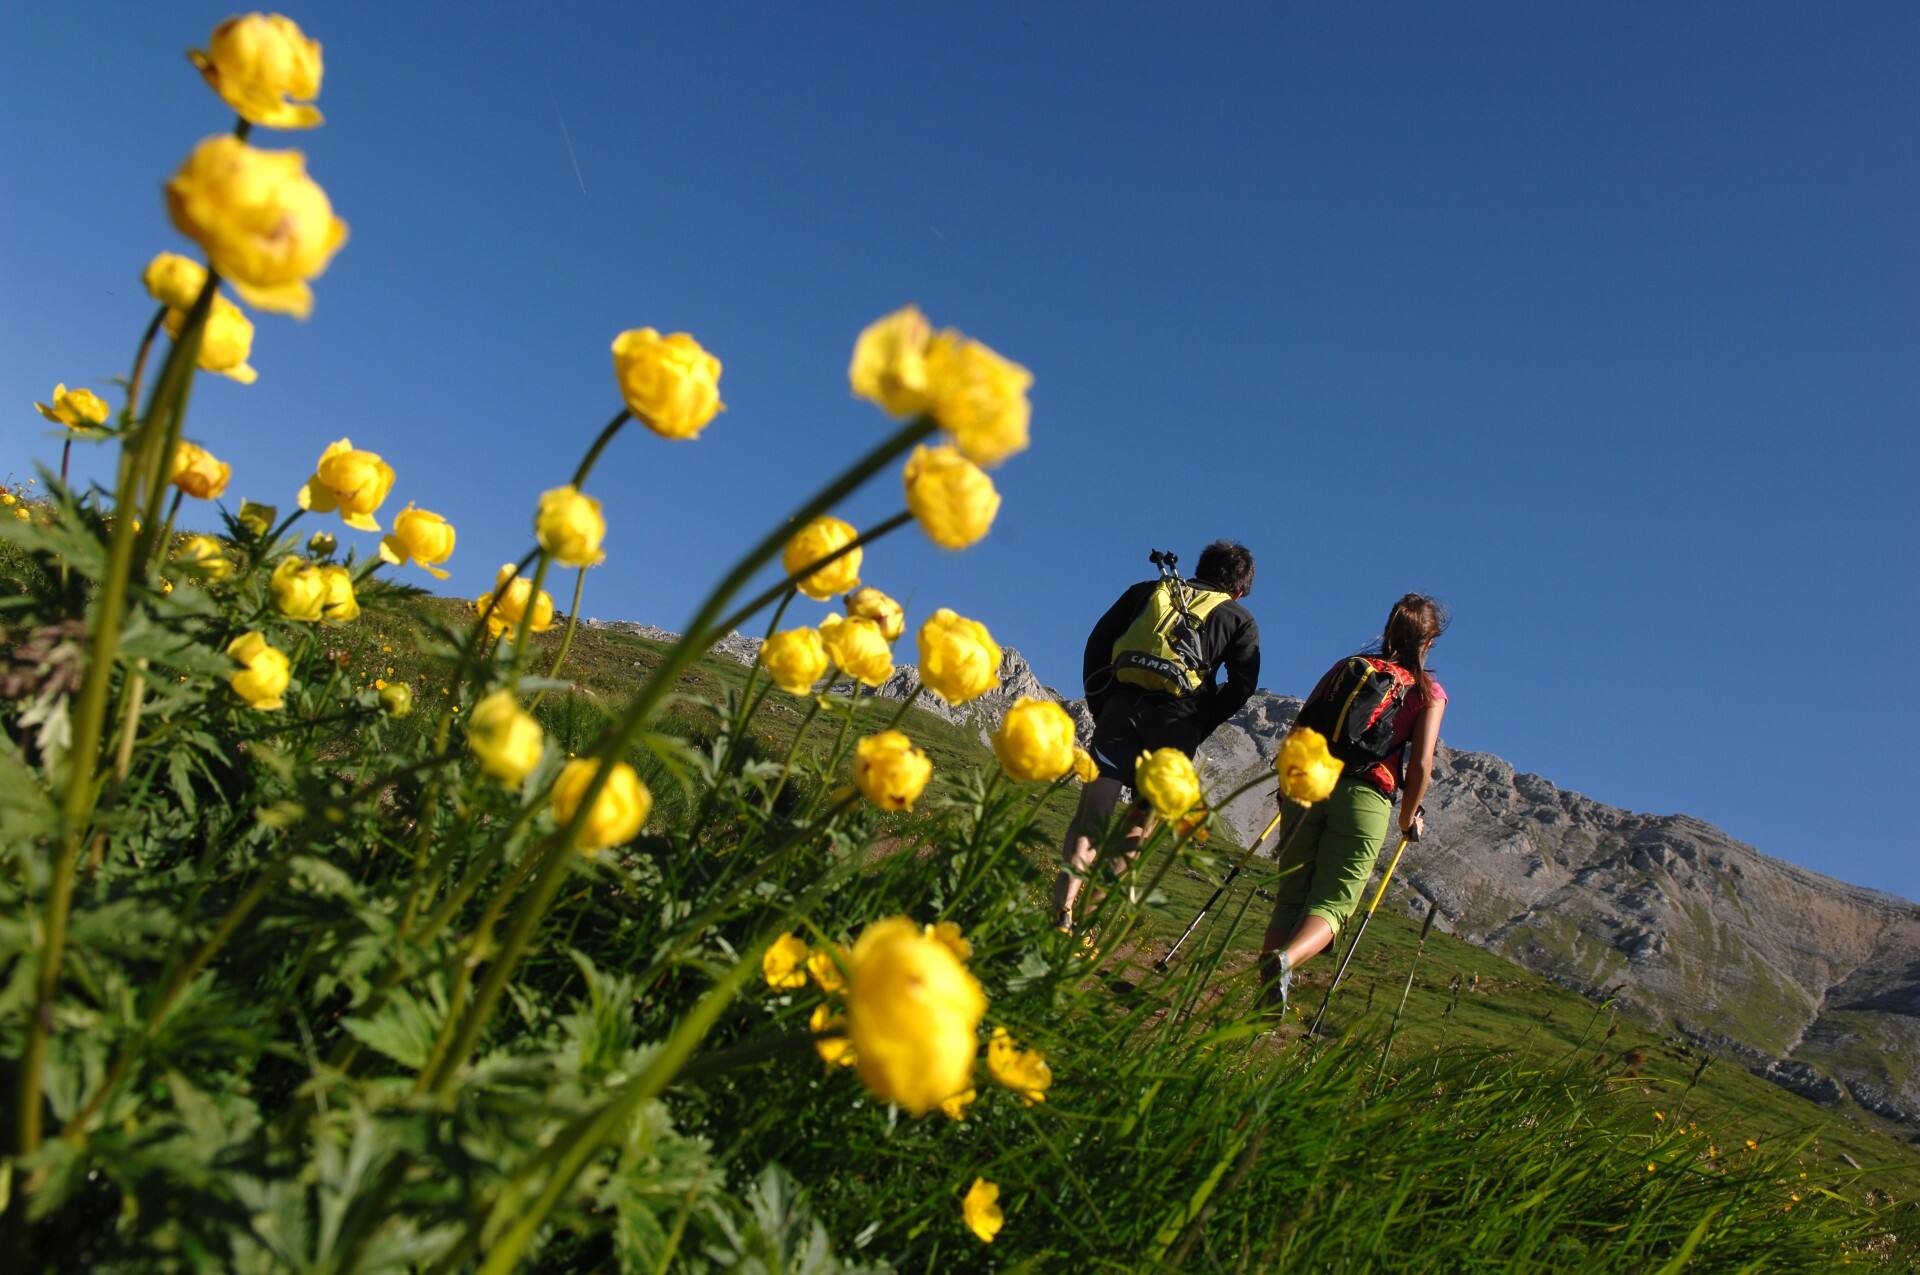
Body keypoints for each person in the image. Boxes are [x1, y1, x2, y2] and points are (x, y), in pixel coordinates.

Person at [1051, 541, 1261, 933]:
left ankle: (1062, 909)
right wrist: (1202, 720)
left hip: (1122, 706)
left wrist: (1103, 702)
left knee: (1094, 809)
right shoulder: (1239, 618)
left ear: (1201, 567)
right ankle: (1087, 926)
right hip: (1177, 723)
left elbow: (1098, 644)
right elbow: (1242, 684)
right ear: (1240, 589)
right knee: (1139, 820)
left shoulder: (1149, 591)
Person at [1258, 593, 1449, 1011]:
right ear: (1429, 641)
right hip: (1366, 793)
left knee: (1290, 897)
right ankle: (1285, 962)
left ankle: (1259, 997)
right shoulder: (1427, 692)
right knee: (1333, 901)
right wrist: (1407, 816)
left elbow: (1301, 724)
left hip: (1309, 782)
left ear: (1389, 630)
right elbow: (1420, 764)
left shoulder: (1348, 668)